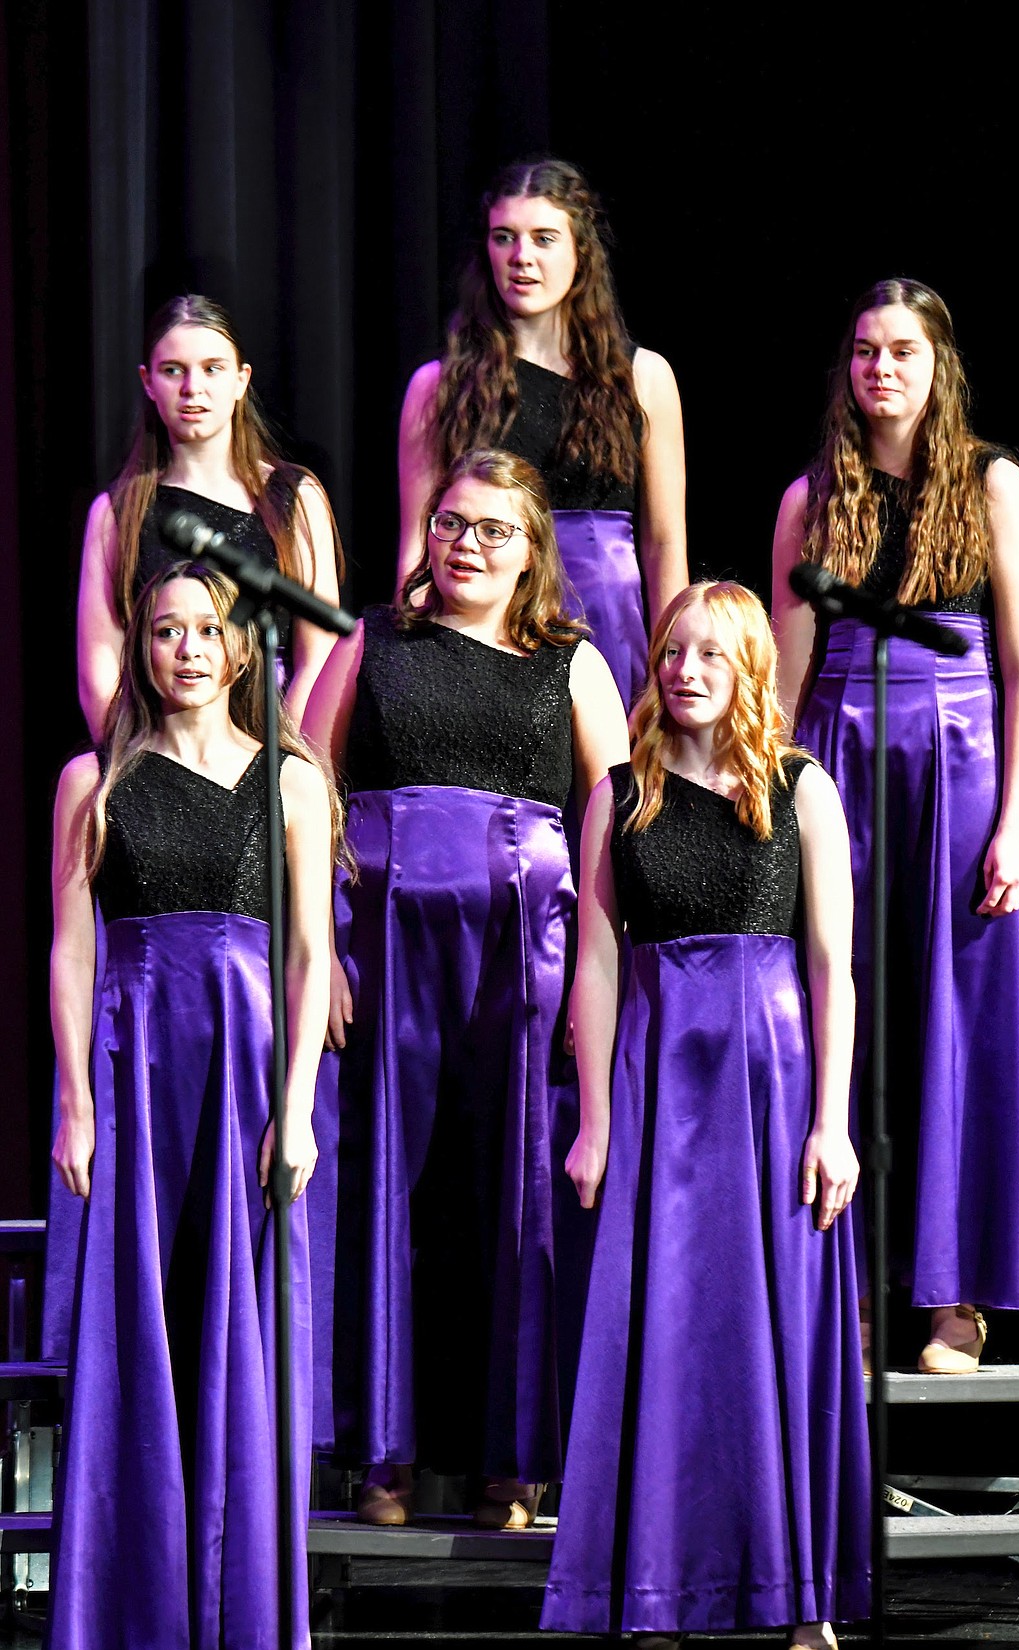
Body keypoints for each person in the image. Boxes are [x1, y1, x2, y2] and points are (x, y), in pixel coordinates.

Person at [303, 447, 628, 1527]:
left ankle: (511, 1461)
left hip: (521, 961)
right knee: (389, 1187)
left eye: (492, 529)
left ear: (532, 549)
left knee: (514, 1189)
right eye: (449, 524)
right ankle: (382, 1458)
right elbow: (302, 793)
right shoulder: (373, 642)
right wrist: (318, 953)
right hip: (384, 948)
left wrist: (594, 990)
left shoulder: (570, 662)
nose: (465, 545)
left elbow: (615, 825)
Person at [541, 582, 870, 1646]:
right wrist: (592, 1119)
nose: (683, 671)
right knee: (663, 1332)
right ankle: (652, 1591)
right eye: (671, 652)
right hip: (655, 1082)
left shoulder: (798, 787)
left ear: (749, 673)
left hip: (769, 1089)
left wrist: (832, 1121)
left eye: (709, 657)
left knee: (775, 1327)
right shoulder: (615, 795)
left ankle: (797, 1599)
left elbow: (831, 969)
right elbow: (593, 966)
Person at [771, 277, 1019, 1373]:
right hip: (841, 762)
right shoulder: (812, 497)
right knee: (841, 1022)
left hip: (958, 768)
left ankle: (954, 1302)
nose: (879, 369)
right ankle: (846, 1292)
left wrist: (1013, 823)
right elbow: (782, 682)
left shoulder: (990, 484)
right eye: (862, 351)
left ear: (936, 364)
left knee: (953, 1021)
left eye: (900, 351)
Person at [47, 562, 335, 1650]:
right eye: (167, 631)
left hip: (247, 1082)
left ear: (243, 646)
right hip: (135, 1076)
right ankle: (130, 1604)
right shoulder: (96, 782)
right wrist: (74, 1099)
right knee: (137, 1331)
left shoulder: (290, 784)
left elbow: (310, 957)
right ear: (143, 647)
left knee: (240, 1332)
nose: (188, 649)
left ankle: (238, 1601)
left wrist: (297, 1104)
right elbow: (72, 953)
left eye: (208, 630)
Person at [395, 156, 687, 713]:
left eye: (543, 238)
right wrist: (414, 663)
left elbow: (665, 543)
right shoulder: (438, 386)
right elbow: (416, 542)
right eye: (504, 237)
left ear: (580, 250)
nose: (521, 257)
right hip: (485, 622)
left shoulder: (643, 377)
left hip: (607, 627)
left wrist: (672, 659)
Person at [77, 292, 343, 739]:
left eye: (212, 369)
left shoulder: (293, 496)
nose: (192, 389)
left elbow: (319, 655)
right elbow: (100, 668)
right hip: (159, 749)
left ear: (241, 380)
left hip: (271, 745)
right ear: (147, 382)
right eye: (173, 370)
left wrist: (288, 764)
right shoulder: (118, 513)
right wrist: (140, 768)